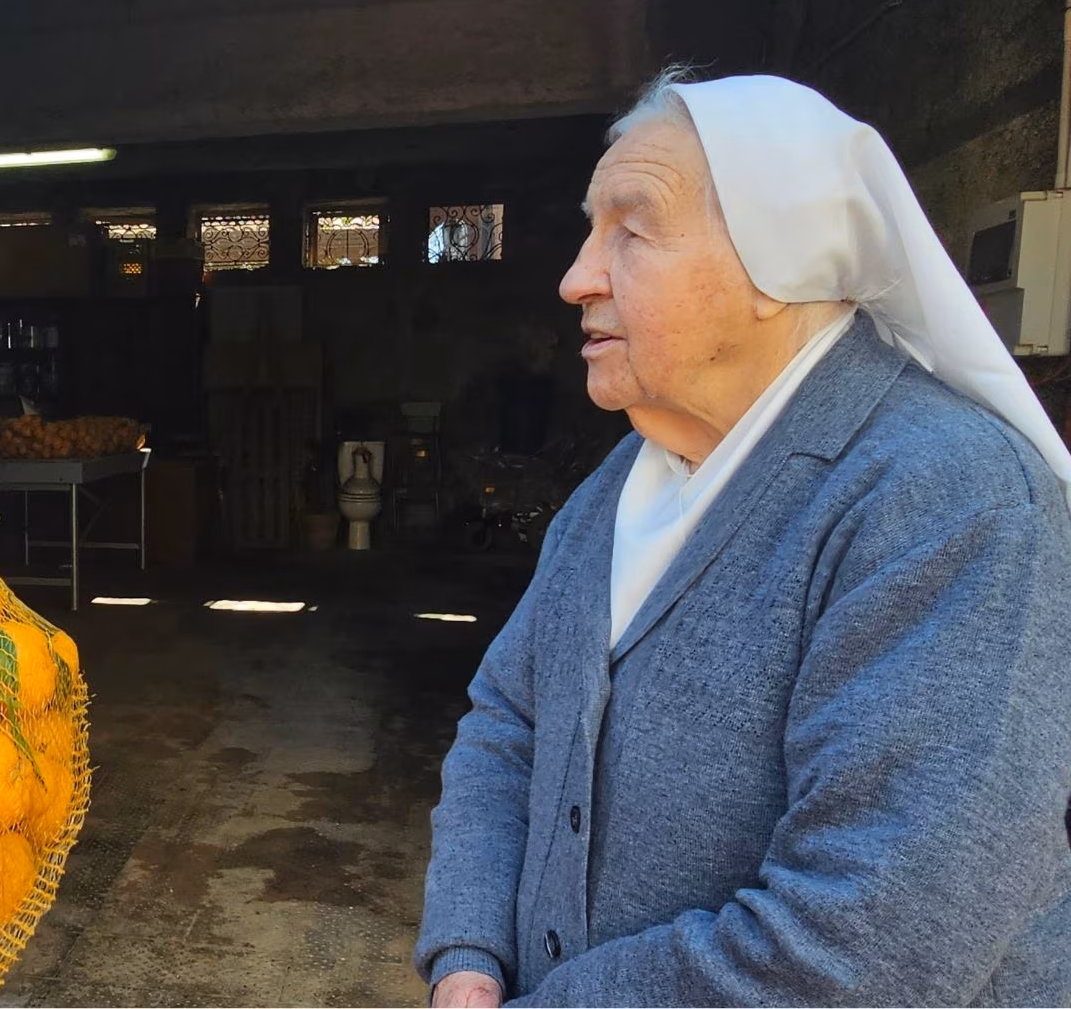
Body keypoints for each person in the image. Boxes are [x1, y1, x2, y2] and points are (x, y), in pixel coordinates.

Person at [416, 70, 1071, 1006]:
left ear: (780, 261)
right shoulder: (621, 482)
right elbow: (509, 722)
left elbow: (866, 947)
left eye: (631, 231)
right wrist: (469, 957)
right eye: (592, 230)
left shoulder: (949, 501)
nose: (575, 278)